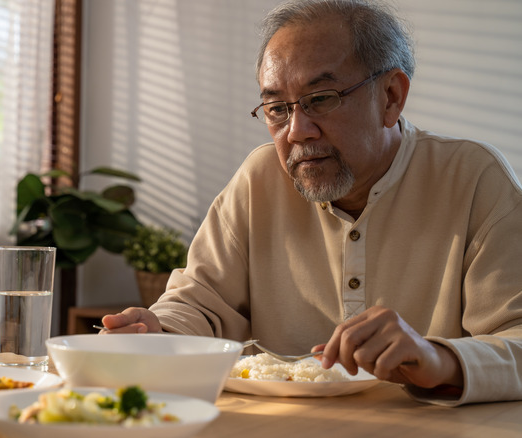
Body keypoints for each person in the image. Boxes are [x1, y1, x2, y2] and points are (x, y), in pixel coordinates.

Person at [101, 0, 522, 406]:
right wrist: (157, 332)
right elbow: (200, 303)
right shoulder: (259, 179)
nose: (298, 131)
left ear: (391, 96)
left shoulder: (474, 179)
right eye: (277, 108)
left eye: (321, 99)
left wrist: (437, 359)